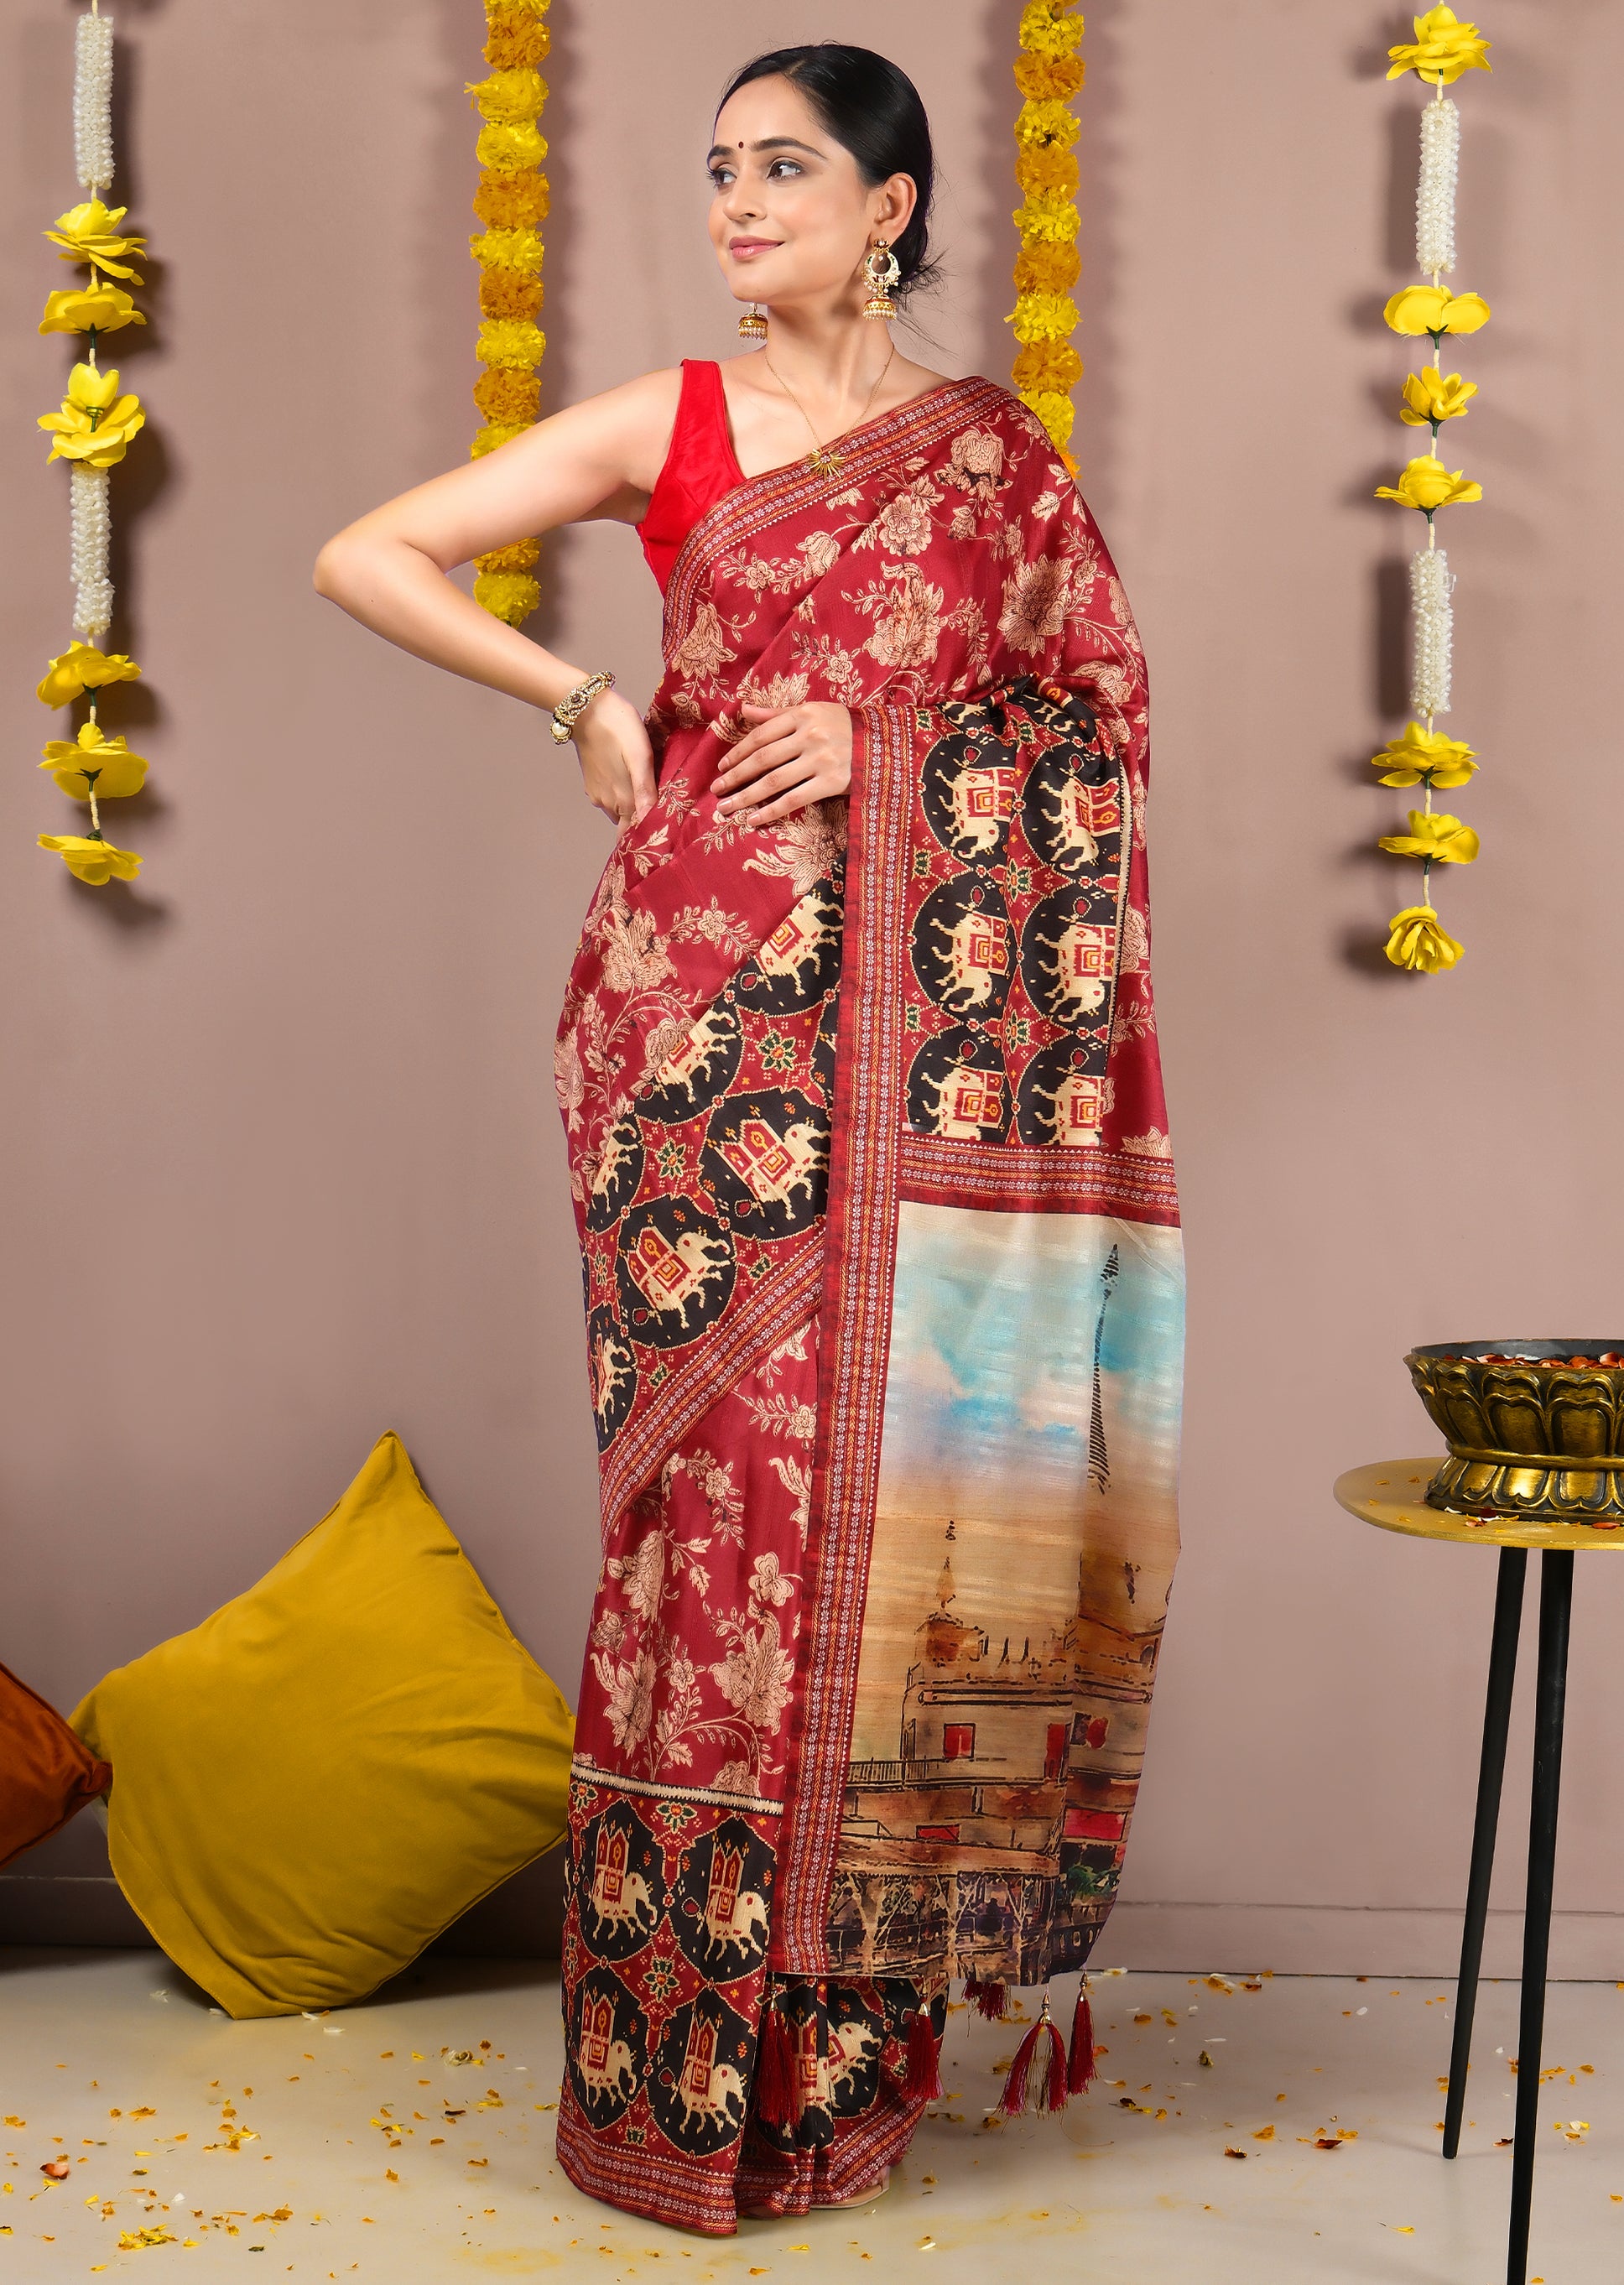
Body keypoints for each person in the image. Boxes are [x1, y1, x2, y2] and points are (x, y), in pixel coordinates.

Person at [315, 40, 1184, 2241]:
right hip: (684, 1019)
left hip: (914, 1054)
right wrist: (587, 702)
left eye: (780, 169)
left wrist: (893, 731)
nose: (734, 204)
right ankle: (684, 2073)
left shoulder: (984, 458)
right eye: (717, 171)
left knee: (872, 1512)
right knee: (707, 1521)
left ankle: (840, 2071)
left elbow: (1095, 719)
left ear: (890, 202)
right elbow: (369, 549)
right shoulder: (666, 422)